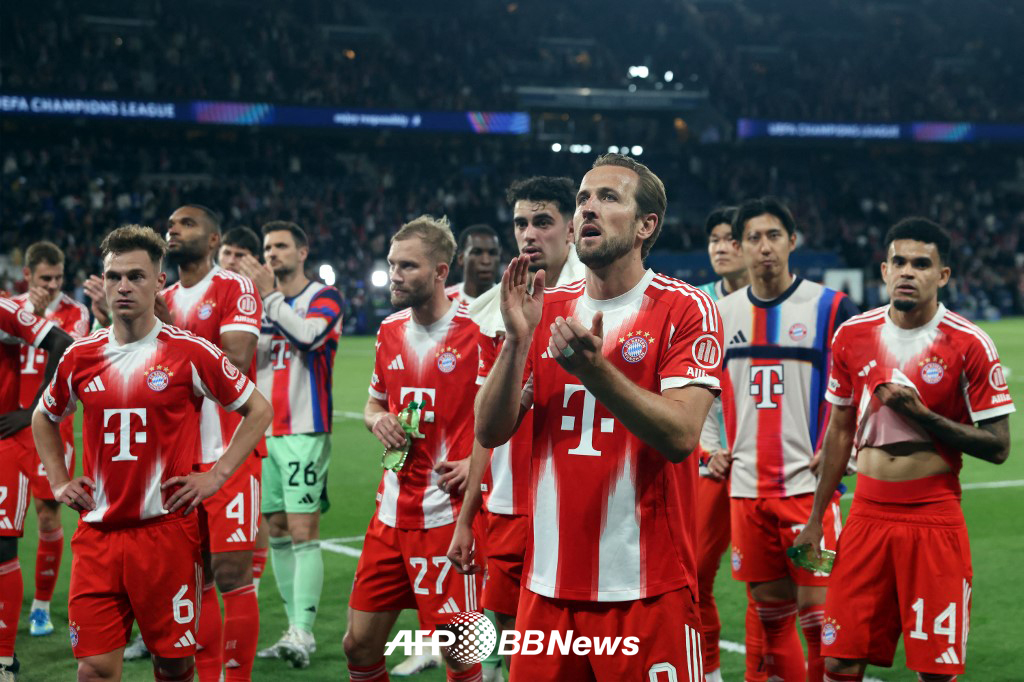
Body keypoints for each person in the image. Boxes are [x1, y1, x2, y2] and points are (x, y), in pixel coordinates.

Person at [469, 153, 722, 681]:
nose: (589, 208)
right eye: (584, 198)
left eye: (608, 198)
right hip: (546, 585)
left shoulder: (686, 307)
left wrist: (593, 370)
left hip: (646, 585)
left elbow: (680, 436)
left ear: (645, 225)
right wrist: (517, 342)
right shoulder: (543, 307)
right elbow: (490, 431)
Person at [31, 224, 271, 682]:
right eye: (115, 275)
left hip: (166, 535)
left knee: (174, 665)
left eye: (136, 276)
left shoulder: (189, 352)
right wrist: (59, 480)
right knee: (95, 669)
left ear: (159, 282)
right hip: (97, 536)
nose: (124, 286)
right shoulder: (81, 356)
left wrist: (216, 477)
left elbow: (258, 409)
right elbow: (45, 416)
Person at [793, 218, 1014, 682]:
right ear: (884, 269)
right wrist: (816, 518)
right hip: (867, 516)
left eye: (921, 263)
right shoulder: (852, 335)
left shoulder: (970, 342)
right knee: (839, 660)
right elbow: (838, 430)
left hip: (933, 514)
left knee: (935, 670)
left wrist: (922, 416)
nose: (908, 272)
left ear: (943, 276)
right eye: (899, 262)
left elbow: (998, 447)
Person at [445, 176, 583, 679]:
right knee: (503, 638)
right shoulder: (499, 311)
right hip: (506, 505)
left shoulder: (595, 302)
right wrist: (465, 520)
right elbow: (486, 428)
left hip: (571, 505)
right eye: (522, 222)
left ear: (571, 231)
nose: (529, 233)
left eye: (542, 222)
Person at [717, 197, 860, 682]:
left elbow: (862, 388)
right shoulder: (720, 313)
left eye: (773, 235)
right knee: (772, 614)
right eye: (753, 238)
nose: (764, 247)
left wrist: (848, 451)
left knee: (819, 618)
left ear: (792, 241)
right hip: (747, 492)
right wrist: (710, 443)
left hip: (808, 493)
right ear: (739, 247)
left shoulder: (830, 307)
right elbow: (704, 395)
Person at [344, 215, 484, 682]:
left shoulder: (478, 333)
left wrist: (474, 463)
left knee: (461, 655)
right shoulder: (389, 330)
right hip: (390, 513)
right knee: (359, 644)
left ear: (442, 271)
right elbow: (373, 403)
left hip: (447, 516)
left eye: (408, 266)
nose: (395, 276)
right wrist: (377, 420)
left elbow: (510, 418)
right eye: (391, 265)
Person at [160, 204, 264, 681]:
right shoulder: (160, 297)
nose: (174, 230)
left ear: (214, 237)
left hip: (228, 453)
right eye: (170, 226)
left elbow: (237, 363)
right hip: (176, 459)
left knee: (230, 574)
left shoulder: (233, 287)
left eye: (187, 224)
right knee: (191, 575)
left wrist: (168, 334)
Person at [236, 221, 343, 668]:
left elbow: (309, 336)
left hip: (304, 430)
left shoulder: (324, 297)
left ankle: (304, 633)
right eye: (267, 248)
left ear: (303, 251)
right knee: (276, 529)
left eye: (280, 246)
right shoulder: (258, 306)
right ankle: (292, 629)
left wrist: (270, 298)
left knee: (303, 531)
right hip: (264, 433)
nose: (272, 254)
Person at [694, 208, 765, 682]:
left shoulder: (781, 306)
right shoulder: (699, 306)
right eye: (713, 239)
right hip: (714, 462)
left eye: (729, 239)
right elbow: (685, 389)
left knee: (769, 583)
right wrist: (706, 452)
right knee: (694, 572)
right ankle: (710, 671)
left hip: (769, 464)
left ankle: (768, 670)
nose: (720, 248)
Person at [9, 241, 89, 637]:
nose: (54, 284)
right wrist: (29, 317)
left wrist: (40, 319)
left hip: (50, 425)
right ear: (28, 276)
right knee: (8, 520)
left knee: (47, 512)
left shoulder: (76, 312)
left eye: (59, 277)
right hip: (10, 425)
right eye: (45, 278)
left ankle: (40, 605)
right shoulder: (10, 306)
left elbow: (70, 351)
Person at [0, 296, 73, 677]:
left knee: (3, 544)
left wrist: (32, 411)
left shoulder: (4, 309)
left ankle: (3, 659)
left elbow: (60, 341)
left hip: (5, 441)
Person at [217, 227, 273, 594]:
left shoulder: (256, 300)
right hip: (192, 428)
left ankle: (246, 586)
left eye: (241, 255)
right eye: (228, 253)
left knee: (252, 520)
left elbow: (252, 356)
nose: (233, 260)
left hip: (241, 425)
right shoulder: (192, 293)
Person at [445, 225, 502, 304]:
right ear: (461, 258)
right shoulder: (445, 299)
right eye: (477, 252)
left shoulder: (510, 302)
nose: (486, 261)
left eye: (492, 253)